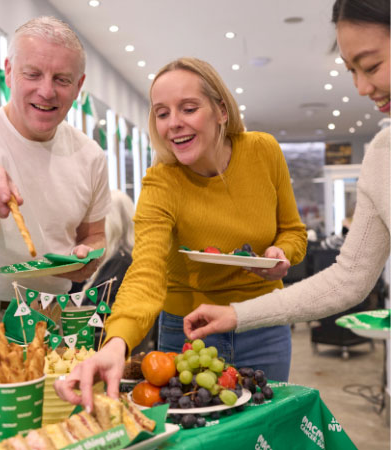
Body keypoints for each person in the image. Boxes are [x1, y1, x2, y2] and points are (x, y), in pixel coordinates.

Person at [58, 57, 308, 411]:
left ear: (221, 111)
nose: (173, 123)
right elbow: (146, 273)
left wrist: (281, 254)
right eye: (162, 113)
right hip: (187, 330)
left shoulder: (263, 151)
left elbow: (293, 232)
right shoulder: (161, 182)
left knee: (260, 430)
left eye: (188, 108)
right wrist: (116, 343)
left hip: (262, 323)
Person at [182, 0, 390, 348]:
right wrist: (237, 314)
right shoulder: (383, 154)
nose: (362, 88)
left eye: (371, 66)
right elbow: (349, 278)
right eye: (351, 71)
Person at [0, 16, 108, 334]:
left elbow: (93, 235)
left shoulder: (90, 155)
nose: (47, 91)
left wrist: (88, 257)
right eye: (33, 74)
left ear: (78, 86)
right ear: (10, 72)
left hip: (51, 316)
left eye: (62, 80)